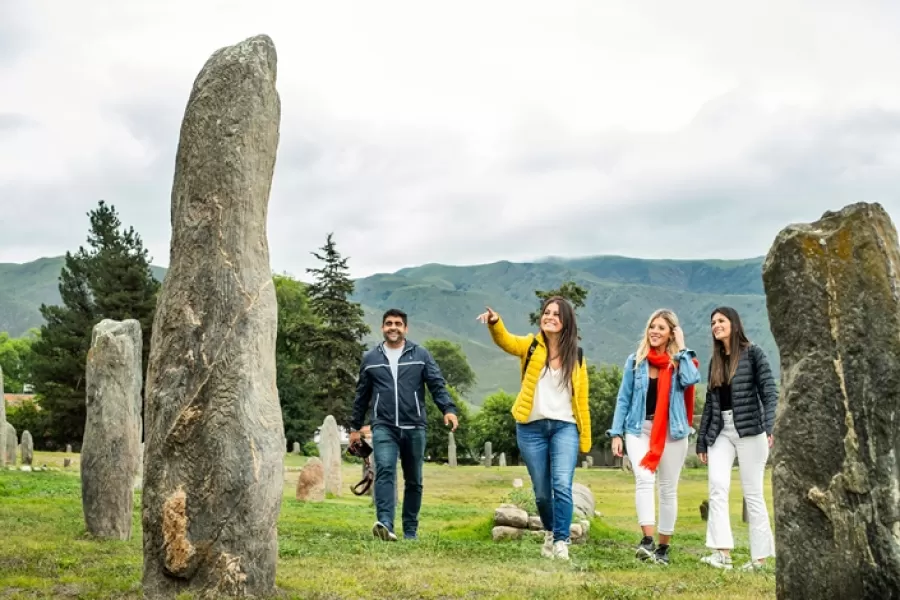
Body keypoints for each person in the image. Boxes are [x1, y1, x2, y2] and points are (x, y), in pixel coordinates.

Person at [476, 296, 591, 561]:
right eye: (546, 312)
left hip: (565, 427)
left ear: (566, 322)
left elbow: (582, 399)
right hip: (531, 429)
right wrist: (495, 323)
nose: (550, 317)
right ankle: (551, 532)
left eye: (556, 314)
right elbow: (506, 340)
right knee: (541, 490)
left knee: (562, 484)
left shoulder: (578, 356)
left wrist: (584, 435)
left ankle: (562, 540)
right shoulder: (530, 346)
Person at [349, 308, 459, 542]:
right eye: (389, 323)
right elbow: (361, 395)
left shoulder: (421, 355)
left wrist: (448, 409)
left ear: (405, 328)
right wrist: (354, 428)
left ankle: (410, 530)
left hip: (414, 426)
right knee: (385, 470)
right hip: (384, 426)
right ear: (382, 327)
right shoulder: (371, 359)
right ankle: (385, 524)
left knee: (414, 479)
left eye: (398, 323)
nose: (393, 327)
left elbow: (437, 385)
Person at [607, 309, 700, 565]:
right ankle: (646, 541)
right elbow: (623, 398)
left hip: (673, 432)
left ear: (671, 333)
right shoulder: (635, 361)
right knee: (644, 478)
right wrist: (616, 433)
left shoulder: (680, 362)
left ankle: (663, 548)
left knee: (668, 489)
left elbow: (693, 379)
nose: (655, 332)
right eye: (652, 326)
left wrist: (682, 347)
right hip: (638, 429)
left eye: (661, 328)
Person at [696, 306, 777, 570]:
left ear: (733, 322)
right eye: (712, 322)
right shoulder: (715, 361)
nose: (715, 325)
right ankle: (723, 554)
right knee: (717, 487)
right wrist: (701, 440)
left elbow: (769, 391)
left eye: (720, 320)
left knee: (753, 493)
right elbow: (710, 402)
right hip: (721, 431)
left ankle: (759, 559)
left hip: (751, 429)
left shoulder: (754, 353)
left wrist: (770, 426)